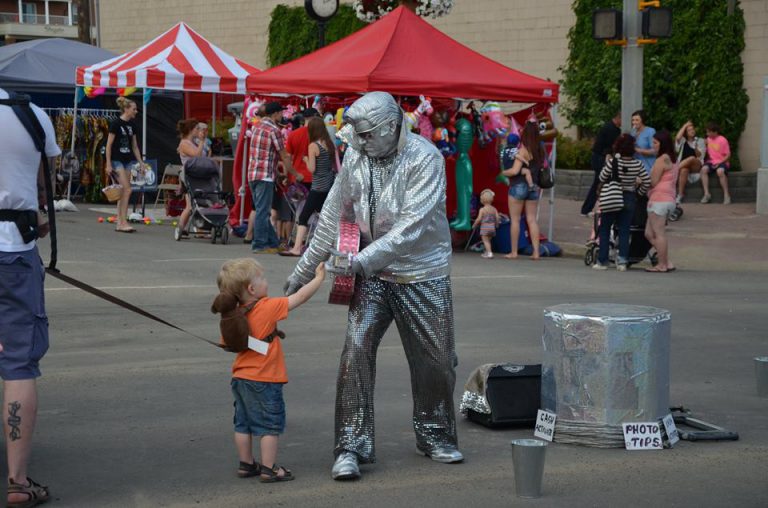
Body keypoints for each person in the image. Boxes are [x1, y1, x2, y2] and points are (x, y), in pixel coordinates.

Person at [284, 91, 463, 481]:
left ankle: (435, 434)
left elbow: (410, 230)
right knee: (356, 351)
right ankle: (350, 444)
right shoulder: (357, 157)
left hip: (421, 274)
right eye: (356, 135)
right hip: (372, 278)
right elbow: (333, 214)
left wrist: (358, 262)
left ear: (389, 127)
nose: (358, 142)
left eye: (365, 135)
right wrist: (302, 271)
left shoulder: (425, 158)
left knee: (436, 361)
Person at [0, 88, 61, 507]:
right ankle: (18, 482)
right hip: (13, 251)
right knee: (18, 364)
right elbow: (43, 182)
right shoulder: (31, 113)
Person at [216, 258, 325, 483]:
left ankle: (246, 463)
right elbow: (300, 297)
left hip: (240, 377)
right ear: (252, 289)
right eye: (262, 278)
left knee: (242, 423)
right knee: (269, 425)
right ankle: (269, 468)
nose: (266, 281)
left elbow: (228, 345)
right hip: (265, 379)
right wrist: (319, 278)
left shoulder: (232, 315)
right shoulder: (267, 306)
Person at [247, 102, 301, 254]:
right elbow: (283, 154)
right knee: (263, 212)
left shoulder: (256, 127)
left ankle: (272, 242)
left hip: (253, 174)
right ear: (275, 113)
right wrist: (295, 173)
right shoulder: (273, 130)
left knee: (261, 210)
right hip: (265, 176)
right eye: (280, 113)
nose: (282, 116)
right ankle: (260, 244)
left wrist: (277, 174)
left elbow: (263, 154)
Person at [593, 133, 651, 271]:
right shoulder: (638, 164)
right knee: (624, 230)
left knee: (605, 228)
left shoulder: (613, 162)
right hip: (629, 196)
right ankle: (623, 261)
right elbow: (647, 181)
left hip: (613, 196)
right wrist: (638, 194)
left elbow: (602, 176)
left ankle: (603, 261)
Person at [281, 117, 337, 256]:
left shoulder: (313, 146)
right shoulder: (329, 144)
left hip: (317, 187)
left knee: (304, 217)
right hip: (328, 186)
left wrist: (306, 160)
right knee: (324, 217)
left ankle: (296, 248)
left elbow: (312, 169)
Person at [501, 121, 542, 260]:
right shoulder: (540, 150)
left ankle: (514, 252)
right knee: (532, 219)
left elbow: (514, 171)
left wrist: (503, 173)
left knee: (515, 220)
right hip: (534, 187)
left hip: (518, 185)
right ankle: (536, 252)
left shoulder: (523, 150)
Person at [105, 96, 144, 233]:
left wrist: (141, 162)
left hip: (128, 160)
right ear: (126, 109)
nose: (136, 111)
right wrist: (108, 164)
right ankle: (123, 221)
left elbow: (134, 146)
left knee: (123, 192)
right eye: (134, 109)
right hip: (117, 160)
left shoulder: (132, 125)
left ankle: (120, 221)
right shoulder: (116, 124)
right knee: (127, 190)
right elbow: (109, 145)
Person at [645, 131, 678, 273]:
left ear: (662, 144)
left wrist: (640, 180)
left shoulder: (661, 159)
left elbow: (653, 181)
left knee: (659, 234)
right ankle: (666, 261)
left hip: (659, 199)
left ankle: (662, 265)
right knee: (648, 233)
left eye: (655, 143)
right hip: (668, 198)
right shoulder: (673, 159)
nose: (653, 145)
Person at [581, 112, 621, 215]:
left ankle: (588, 208)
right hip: (600, 158)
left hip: (599, 157)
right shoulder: (611, 129)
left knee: (599, 183)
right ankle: (587, 209)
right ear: (618, 118)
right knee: (599, 183)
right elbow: (610, 146)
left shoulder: (611, 128)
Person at [176, 119, 211, 236]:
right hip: (189, 176)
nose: (199, 130)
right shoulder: (184, 143)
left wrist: (203, 141)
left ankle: (192, 228)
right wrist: (201, 141)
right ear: (191, 130)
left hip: (198, 175)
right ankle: (182, 228)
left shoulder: (194, 142)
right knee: (191, 206)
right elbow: (197, 155)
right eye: (197, 128)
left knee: (197, 204)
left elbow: (204, 154)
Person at [700, 122, 732, 205]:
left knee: (720, 171)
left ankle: (726, 195)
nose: (707, 134)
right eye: (706, 132)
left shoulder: (723, 140)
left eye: (708, 132)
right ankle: (707, 194)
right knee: (703, 170)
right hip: (711, 162)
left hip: (722, 161)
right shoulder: (707, 140)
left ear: (715, 132)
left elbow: (728, 155)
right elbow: (703, 153)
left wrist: (720, 163)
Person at [674, 121, 706, 203]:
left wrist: (695, 148)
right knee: (684, 170)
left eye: (693, 129)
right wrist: (685, 125)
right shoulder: (683, 141)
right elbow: (677, 138)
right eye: (689, 130)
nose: (692, 131)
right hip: (684, 166)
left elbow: (700, 156)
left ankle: (673, 171)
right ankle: (680, 195)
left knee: (691, 158)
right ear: (685, 133)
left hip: (696, 165)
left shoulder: (700, 141)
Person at [472, 189, 500, 259]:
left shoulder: (482, 209)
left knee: (485, 241)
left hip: (485, 228)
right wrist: (497, 224)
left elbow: (479, 219)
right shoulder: (494, 209)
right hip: (492, 228)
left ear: (482, 200)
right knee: (488, 241)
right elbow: (497, 217)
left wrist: (475, 224)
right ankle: (487, 252)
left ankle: (490, 253)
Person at [630, 110, 656, 174]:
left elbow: (655, 151)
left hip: (648, 167)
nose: (634, 122)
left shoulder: (650, 131)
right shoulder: (632, 132)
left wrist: (637, 150)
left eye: (637, 120)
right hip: (635, 167)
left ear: (642, 120)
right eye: (633, 120)